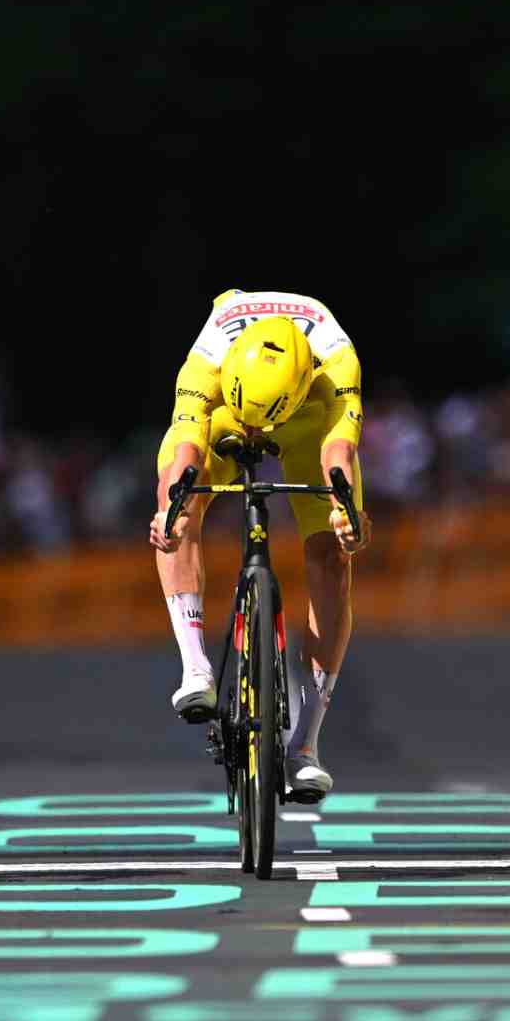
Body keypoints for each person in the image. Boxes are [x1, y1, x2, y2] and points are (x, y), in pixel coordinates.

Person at [148, 289, 371, 802]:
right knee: (178, 500)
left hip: (308, 421)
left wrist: (347, 515)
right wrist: (170, 511)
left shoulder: (337, 362)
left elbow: (338, 449)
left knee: (335, 553)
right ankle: (195, 666)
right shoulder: (206, 360)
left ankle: (305, 746)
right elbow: (185, 445)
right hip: (223, 413)